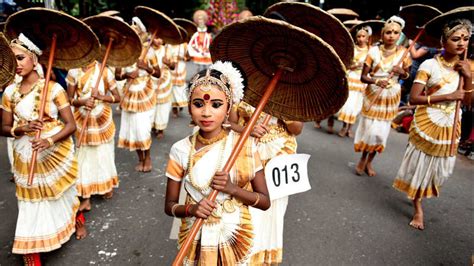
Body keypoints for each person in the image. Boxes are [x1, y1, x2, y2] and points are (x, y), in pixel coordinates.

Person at [164, 61, 270, 265]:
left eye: (216, 104)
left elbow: (265, 201)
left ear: (229, 107)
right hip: (195, 234)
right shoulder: (180, 149)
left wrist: (232, 189)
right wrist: (191, 210)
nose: (206, 113)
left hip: (234, 233)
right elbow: (169, 206)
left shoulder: (244, 147)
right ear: (188, 106)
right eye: (198, 104)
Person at [1, 33, 86, 265]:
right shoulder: (9, 92)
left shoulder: (54, 89)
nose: (16, 64)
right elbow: (4, 127)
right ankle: (31, 249)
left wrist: (49, 141)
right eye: (13, 59)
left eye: (21, 58)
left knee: (61, 194)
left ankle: (76, 218)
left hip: (53, 151)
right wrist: (21, 129)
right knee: (29, 201)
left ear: (34, 59)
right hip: (23, 153)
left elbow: (71, 125)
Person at [393, 19, 473, 230]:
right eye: (455, 39)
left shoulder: (468, 67)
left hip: (450, 125)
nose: (461, 43)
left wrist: (468, 77)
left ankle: (419, 194)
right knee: (421, 164)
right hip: (427, 121)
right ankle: (418, 206)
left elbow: (467, 102)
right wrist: (448, 95)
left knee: (439, 169)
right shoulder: (429, 65)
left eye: (465, 39)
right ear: (443, 41)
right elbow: (414, 98)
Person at [229, 101, 303, 265]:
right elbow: (228, 124)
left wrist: (282, 107)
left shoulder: (290, 92)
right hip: (246, 150)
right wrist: (248, 130)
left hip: (279, 157)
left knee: (270, 213)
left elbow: (297, 129)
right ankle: (239, 257)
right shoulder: (246, 86)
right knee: (242, 209)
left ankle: (258, 259)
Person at [354, 16, 412, 176]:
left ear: (400, 35)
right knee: (369, 130)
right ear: (382, 34)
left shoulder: (403, 54)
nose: (391, 35)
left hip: (391, 96)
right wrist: (375, 81)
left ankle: (370, 162)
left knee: (380, 133)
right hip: (373, 93)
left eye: (395, 32)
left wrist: (403, 73)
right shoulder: (373, 51)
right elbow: (363, 77)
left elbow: (407, 77)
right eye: (388, 32)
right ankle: (363, 158)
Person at [66, 60, 120, 212]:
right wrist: (82, 101)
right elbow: (69, 100)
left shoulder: (105, 72)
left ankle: (106, 184)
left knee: (104, 153)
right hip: (82, 118)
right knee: (84, 156)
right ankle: (86, 196)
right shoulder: (73, 71)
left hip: (102, 118)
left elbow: (118, 97)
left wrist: (101, 97)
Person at [116, 17, 160, 172]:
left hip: (145, 93)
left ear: (141, 34)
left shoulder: (150, 52)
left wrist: (147, 68)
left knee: (142, 128)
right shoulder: (123, 52)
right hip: (129, 95)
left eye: (136, 32)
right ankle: (140, 158)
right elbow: (117, 76)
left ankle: (147, 157)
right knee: (131, 128)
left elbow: (158, 73)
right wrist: (127, 76)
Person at [338, 25, 371, 137]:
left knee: (357, 106)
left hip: (363, 80)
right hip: (351, 77)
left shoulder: (371, 51)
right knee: (348, 104)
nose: (361, 38)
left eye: (363, 36)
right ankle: (343, 126)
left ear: (367, 38)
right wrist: (357, 65)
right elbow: (347, 64)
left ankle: (350, 128)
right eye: (359, 36)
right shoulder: (352, 49)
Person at [150, 36, 173, 139]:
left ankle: (161, 129)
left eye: (161, 38)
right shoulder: (147, 50)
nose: (159, 40)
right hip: (150, 79)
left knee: (163, 106)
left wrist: (168, 63)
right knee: (151, 105)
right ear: (151, 36)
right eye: (156, 38)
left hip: (164, 80)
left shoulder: (167, 50)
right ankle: (152, 125)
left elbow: (173, 66)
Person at [167, 38, 189, 118]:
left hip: (181, 68)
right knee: (172, 88)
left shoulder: (184, 45)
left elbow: (189, 57)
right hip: (170, 68)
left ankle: (180, 102)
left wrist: (183, 58)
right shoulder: (168, 45)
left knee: (179, 87)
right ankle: (174, 108)